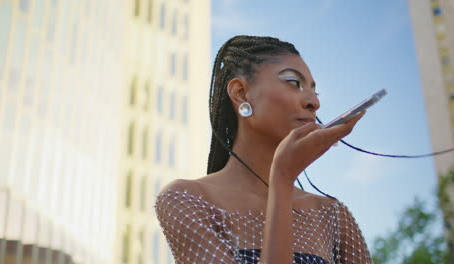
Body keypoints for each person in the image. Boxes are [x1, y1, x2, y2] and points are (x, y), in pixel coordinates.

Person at [155, 35, 372, 264]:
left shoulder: (332, 216)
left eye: (314, 91)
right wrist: (282, 177)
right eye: (293, 83)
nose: (313, 103)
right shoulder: (187, 199)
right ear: (240, 93)